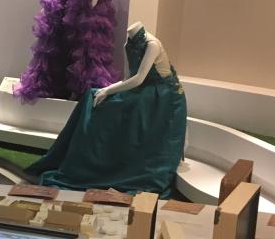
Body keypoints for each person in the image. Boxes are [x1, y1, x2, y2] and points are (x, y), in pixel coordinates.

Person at [25, 22, 187, 198]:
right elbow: (129, 78)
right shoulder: (129, 44)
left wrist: (108, 90)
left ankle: (108, 162)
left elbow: (139, 79)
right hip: (142, 90)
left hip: (162, 95)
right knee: (92, 96)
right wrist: (106, 90)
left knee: (116, 107)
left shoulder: (152, 45)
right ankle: (87, 162)